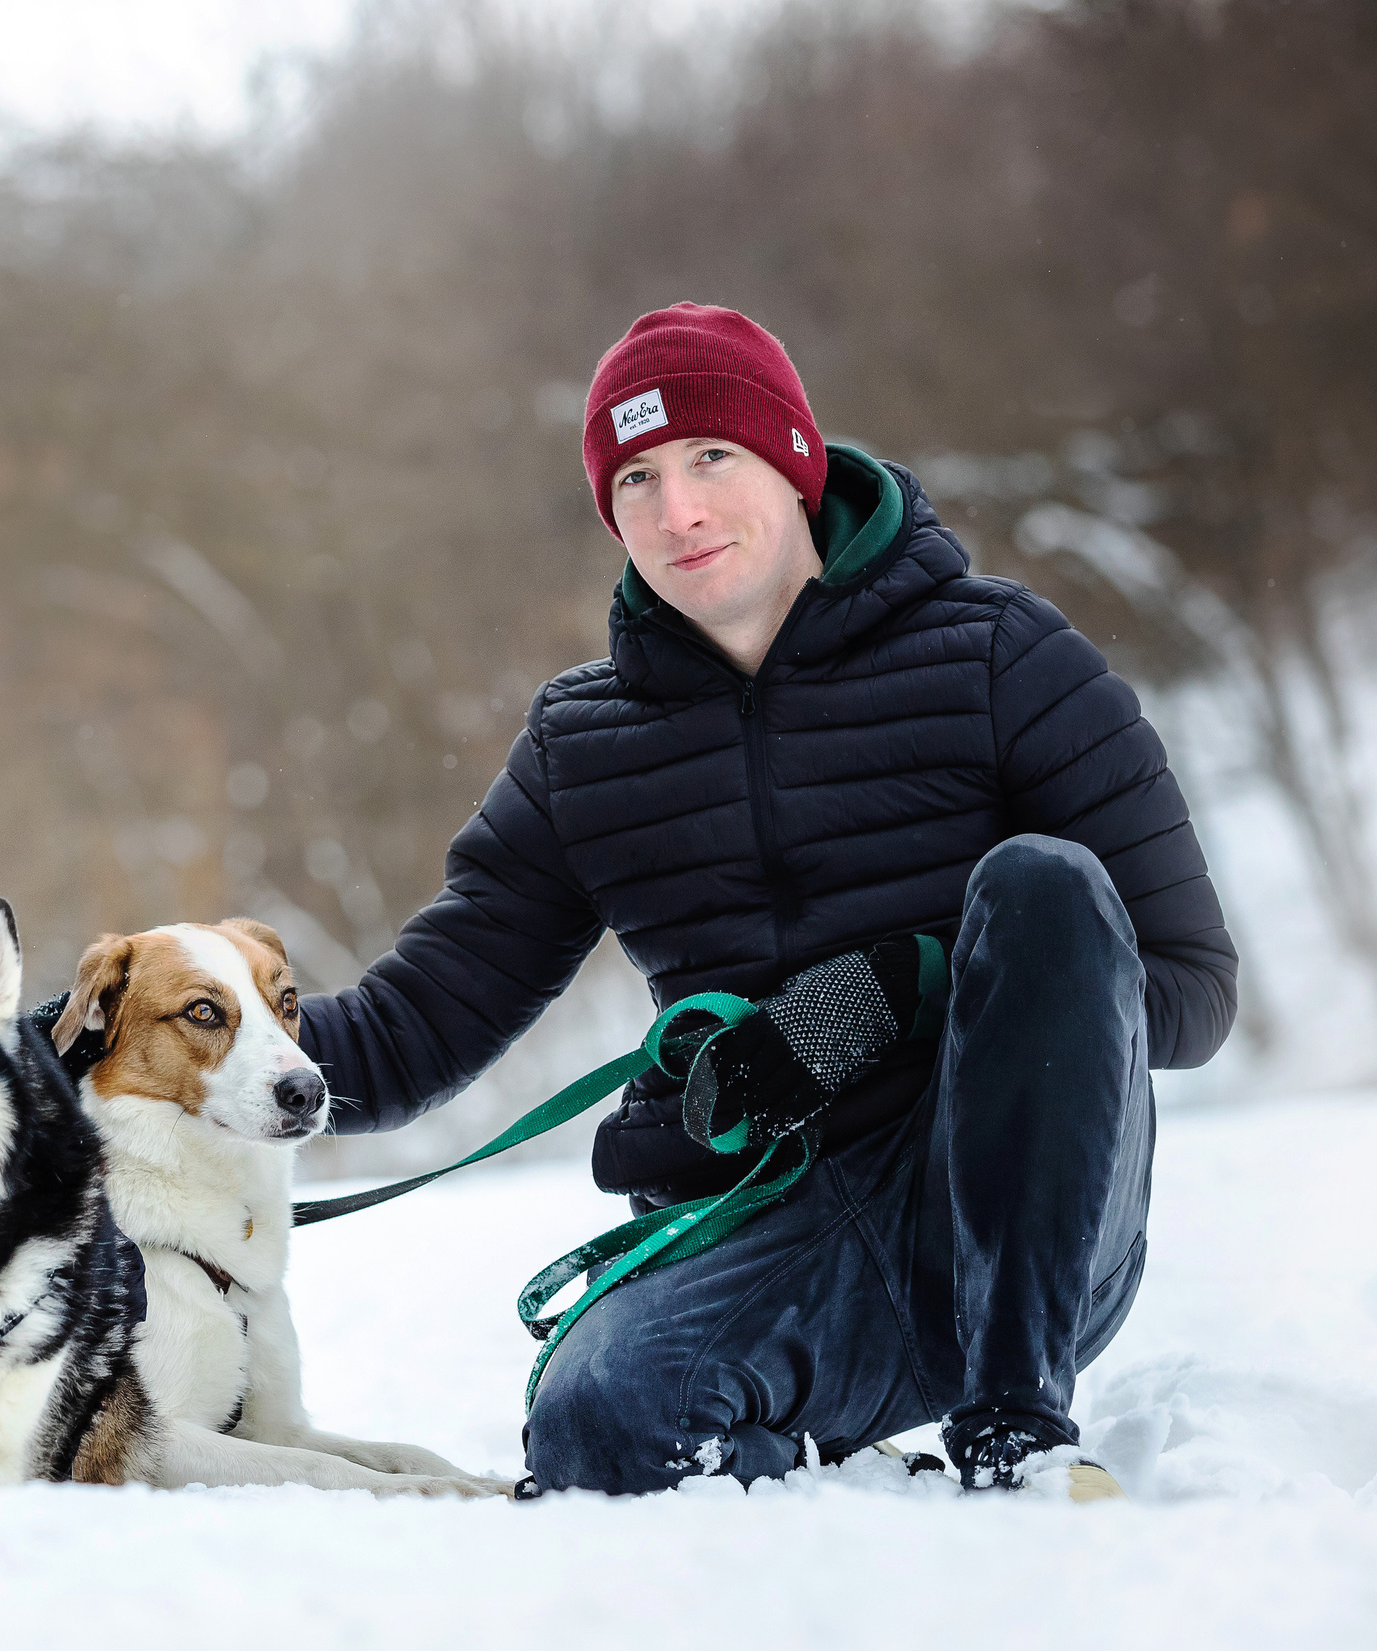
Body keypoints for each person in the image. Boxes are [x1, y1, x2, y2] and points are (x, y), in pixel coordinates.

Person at [299, 304, 1237, 1498]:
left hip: (1023, 1218)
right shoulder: (583, 746)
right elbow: (400, 1037)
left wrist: (919, 984)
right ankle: (814, 1476)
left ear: (793, 463)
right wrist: (101, 1045)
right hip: (783, 1221)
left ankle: (1017, 1432)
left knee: (1043, 883)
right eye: (634, 477)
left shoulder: (1001, 655)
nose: (676, 510)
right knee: (599, 1429)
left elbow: (1190, 988)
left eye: (709, 458)